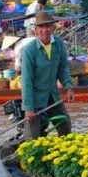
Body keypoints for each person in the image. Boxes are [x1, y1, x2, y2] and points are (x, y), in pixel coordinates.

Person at [21, 11, 75, 140]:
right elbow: (26, 80)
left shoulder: (59, 44)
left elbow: (63, 69)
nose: (44, 30)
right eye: (40, 27)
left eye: (47, 26)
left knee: (65, 126)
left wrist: (69, 87)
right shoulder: (29, 50)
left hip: (53, 95)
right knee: (32, 136)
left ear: (53, 28)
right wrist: (28, 108)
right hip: (35, 99)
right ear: (35, 30)